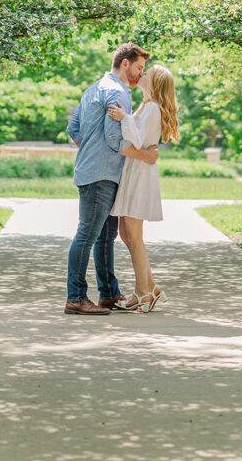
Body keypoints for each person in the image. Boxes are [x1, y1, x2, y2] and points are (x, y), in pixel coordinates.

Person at [64, 42, 157, 316]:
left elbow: (73, 129)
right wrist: (145, 155)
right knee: (89, 233)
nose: (141, 74)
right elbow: (116, 140)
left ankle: (108, 294)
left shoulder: (93, 88)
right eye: (139, 68)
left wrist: (90, 151)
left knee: (106, 236)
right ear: (125, 63)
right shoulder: (119, 92)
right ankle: (76, 297)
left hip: (94, 171)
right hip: (102, 174)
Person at [108, 64, 180, 312]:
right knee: (127, 234)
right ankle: (151, 286)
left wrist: (123, 118)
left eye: (146, 73)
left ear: (155, 83)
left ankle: (143, 293)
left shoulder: (151, 108)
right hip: (135, 170)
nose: (142, 74)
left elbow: (137, 138)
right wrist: (127, 117)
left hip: (140, 173)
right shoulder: (146, 106)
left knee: (134, 237)